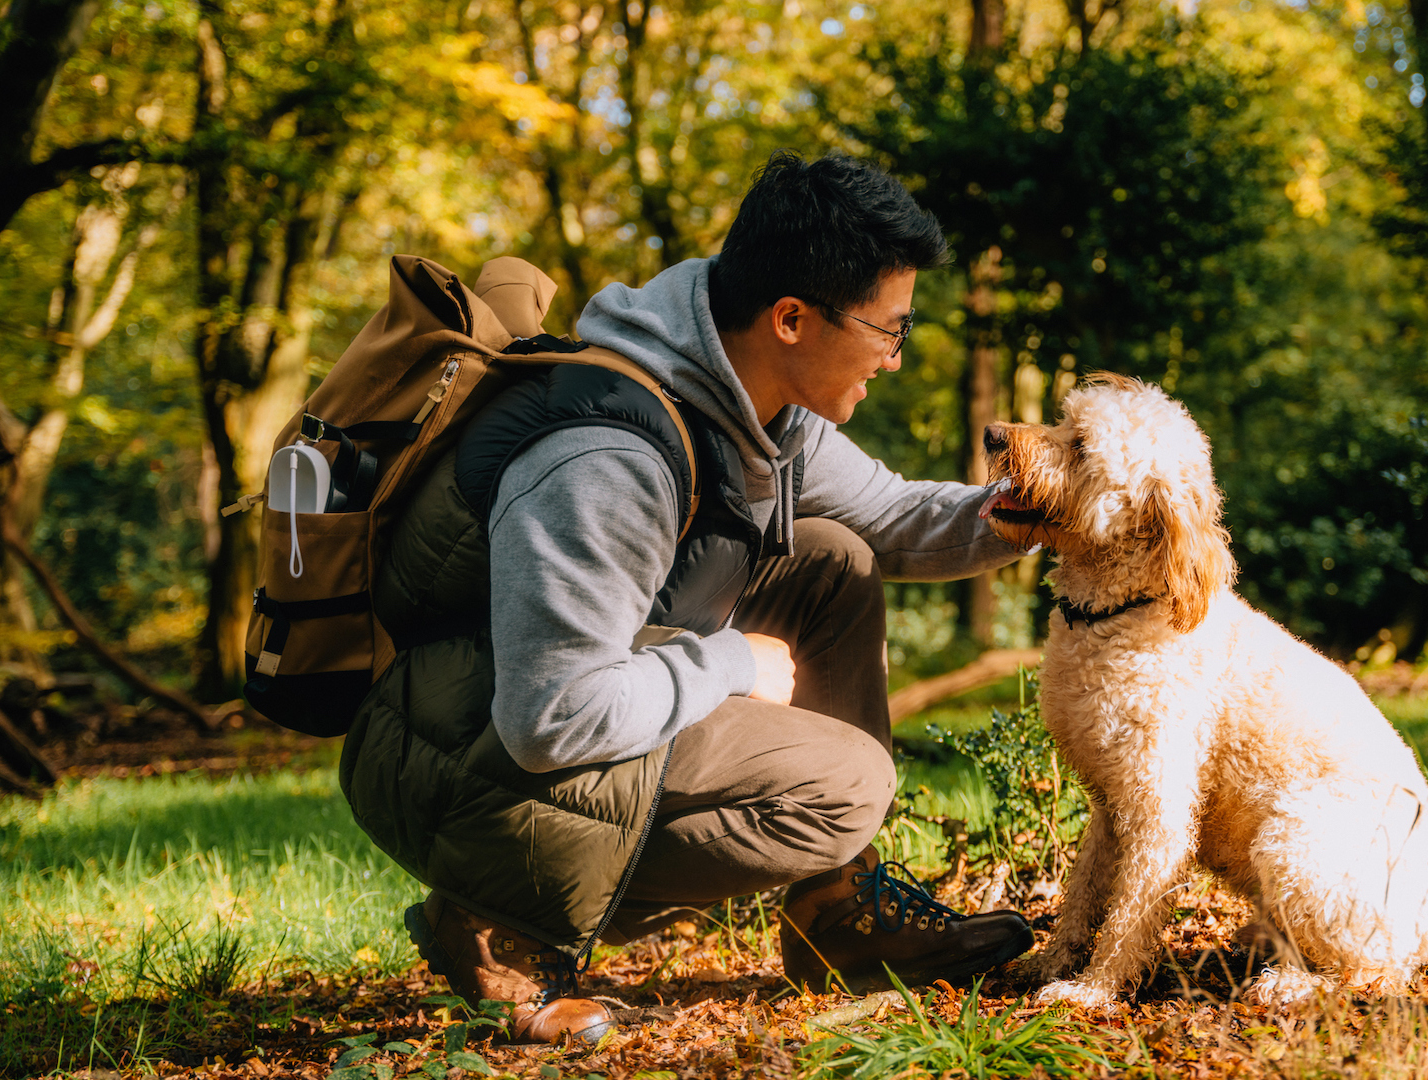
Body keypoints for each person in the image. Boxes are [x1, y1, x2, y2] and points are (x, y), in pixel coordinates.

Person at [340, 150, 1035, 1044]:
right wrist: (728, 663)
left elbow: (897, 519)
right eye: (889, 330)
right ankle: (499, 922)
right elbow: (550, 716)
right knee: (847, 788)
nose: (895, 358)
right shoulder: (608, 458)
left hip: (523, 711)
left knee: (832, 559)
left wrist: (1038, 510)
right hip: (453, 753)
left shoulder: (762, 412)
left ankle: (836, 918)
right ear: (792, 318)